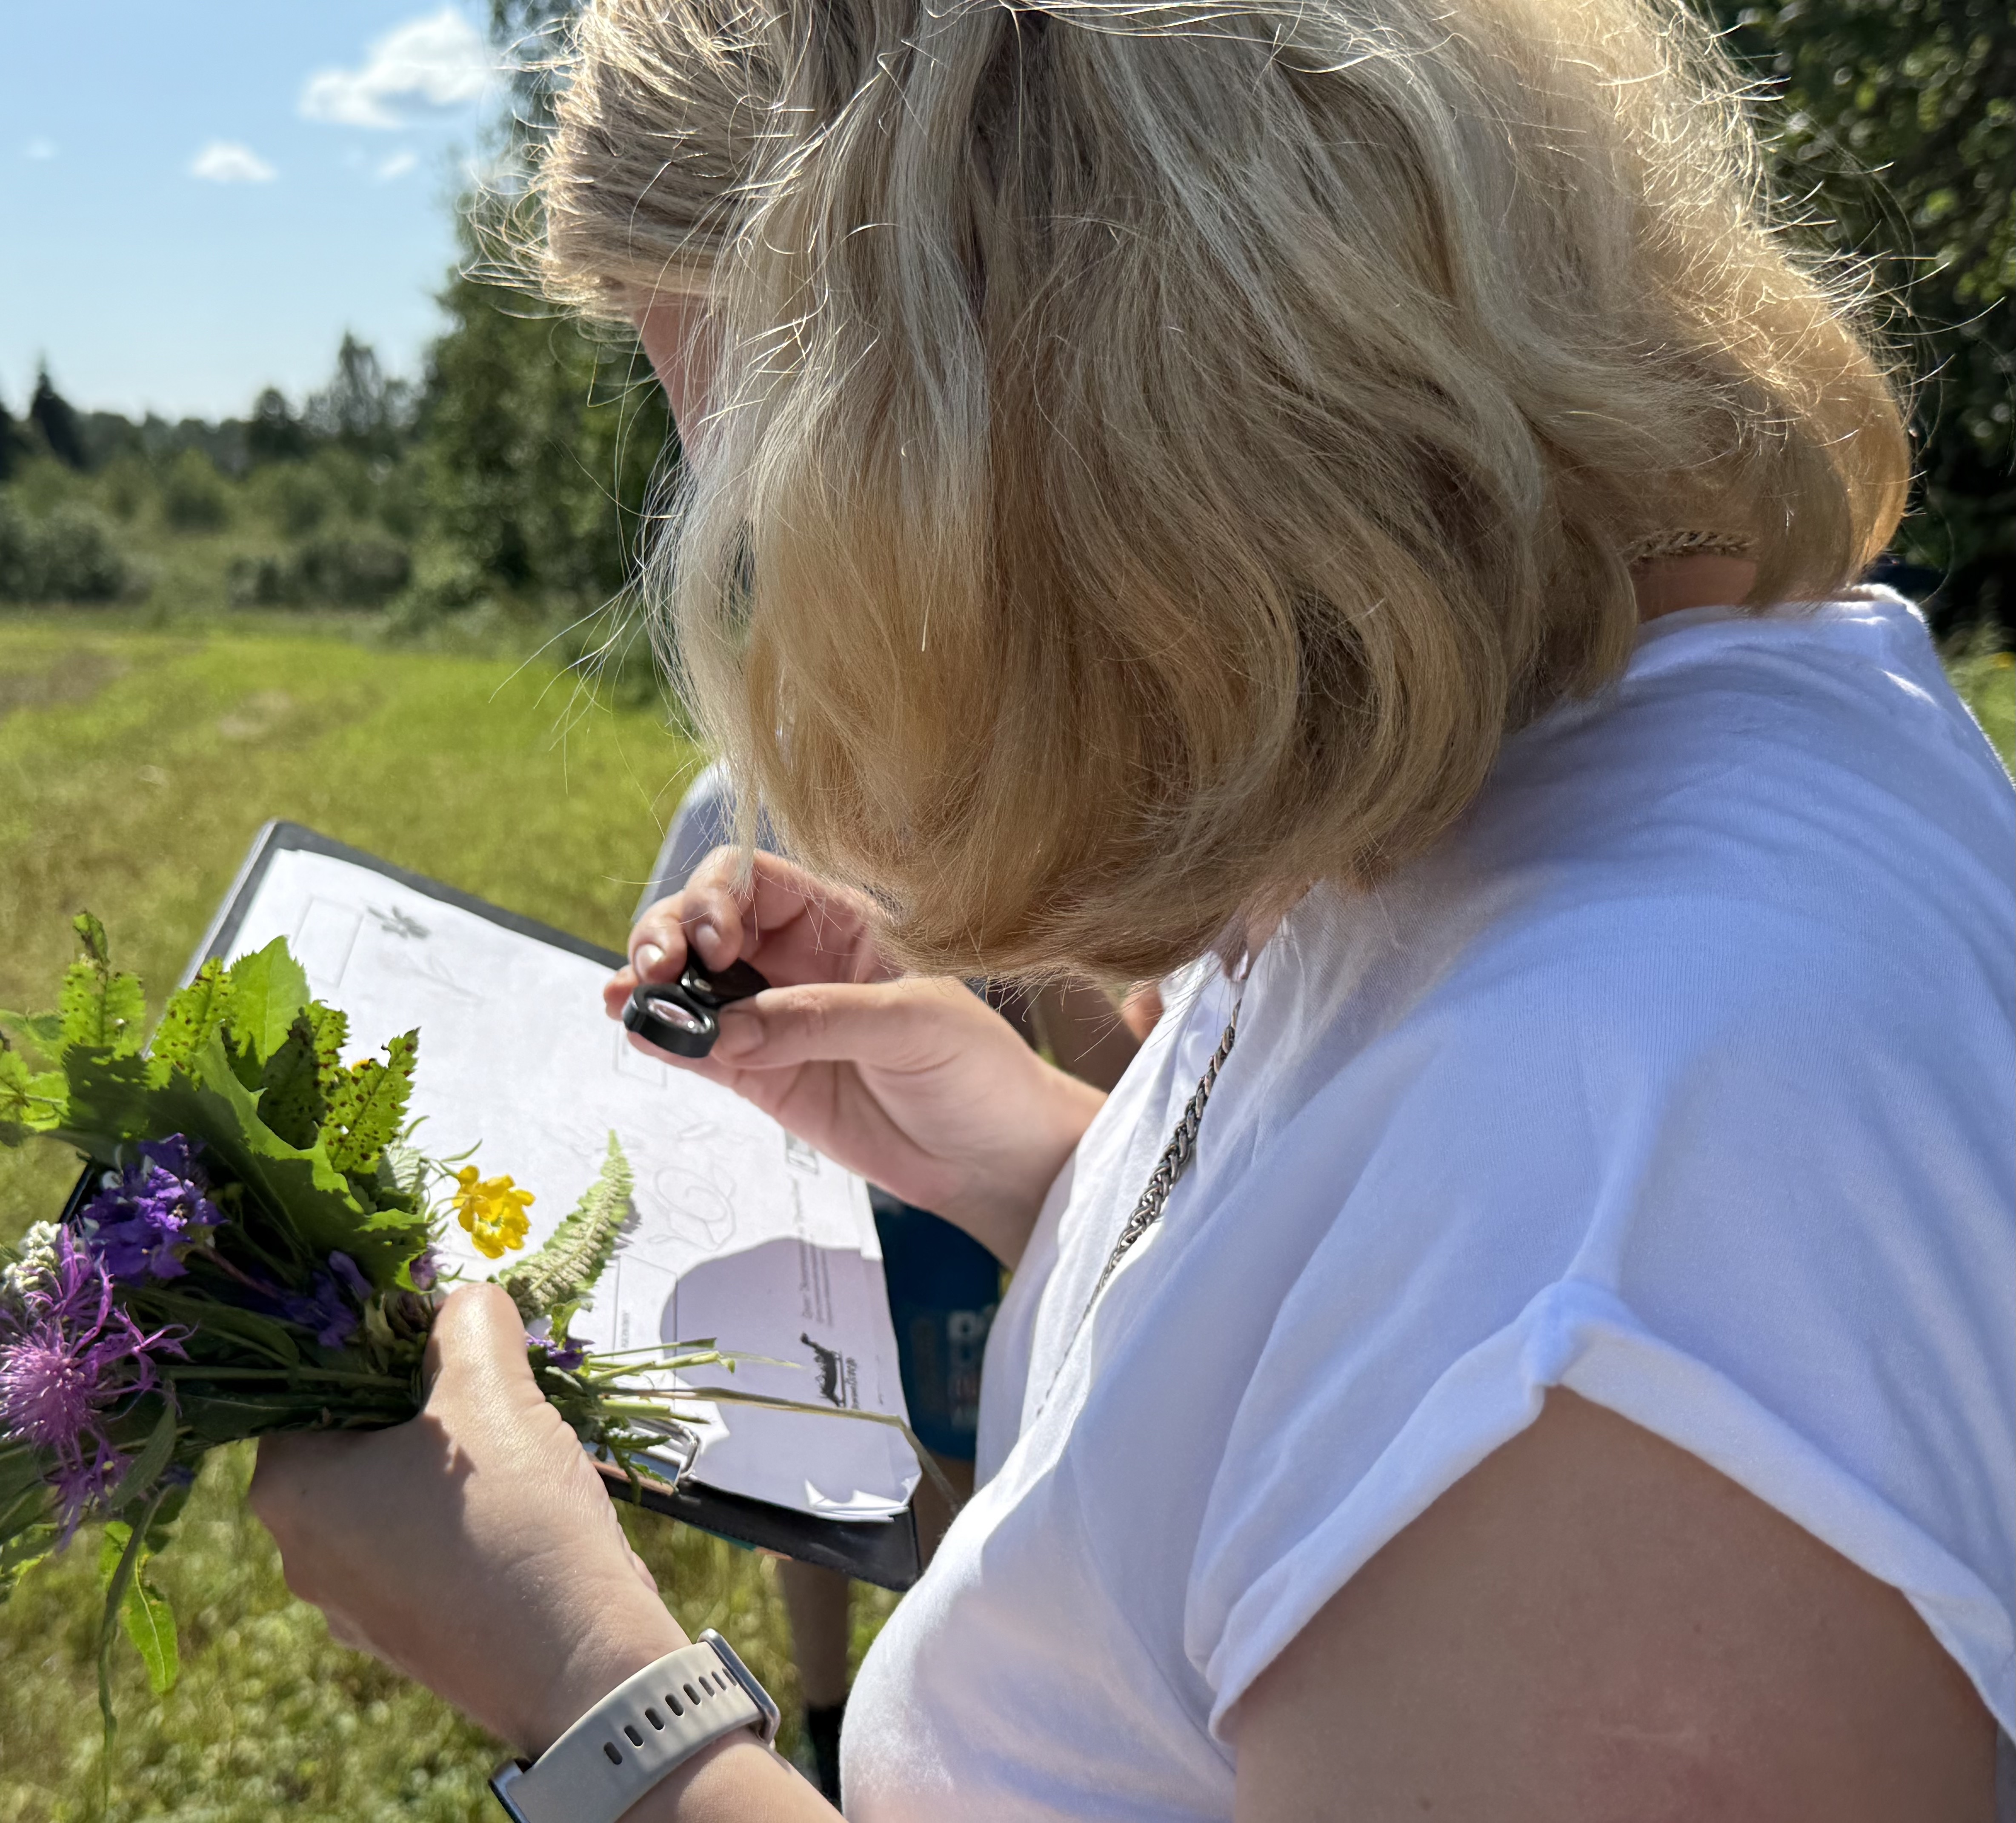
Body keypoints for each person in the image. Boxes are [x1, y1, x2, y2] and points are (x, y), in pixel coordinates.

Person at [249, 0, 2015, 1817]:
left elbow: (1490, 1289)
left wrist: (589, 1692)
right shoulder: (1582, 761)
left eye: (782, 501)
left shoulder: (1604, 1265)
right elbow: (1334, 1308)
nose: (784, 599)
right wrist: (1045, 1166)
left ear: (1031, 449)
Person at [638, 765, 1133, 1803]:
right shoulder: (726, 800)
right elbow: (654, 992)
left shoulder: (1001, 772)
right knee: (801, 1484)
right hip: (785, 1203)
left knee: (955, 1482)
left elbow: (1111, 1086)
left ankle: (939, 1741)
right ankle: (823, 1726)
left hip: (949, 1216)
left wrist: (1039, 924)